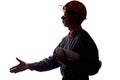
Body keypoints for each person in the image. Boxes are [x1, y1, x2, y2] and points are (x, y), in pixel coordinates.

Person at [10, 1, 101, 80]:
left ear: (75, 17)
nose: (62, 17)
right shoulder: (65, 40)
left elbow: (93, 68)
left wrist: (69, 63)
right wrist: (28, 66)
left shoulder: (84, 39)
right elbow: (53, 61)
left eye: (65, 14)